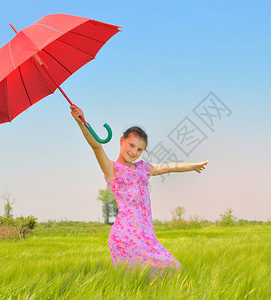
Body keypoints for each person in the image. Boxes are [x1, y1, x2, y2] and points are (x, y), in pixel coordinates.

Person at [70, 105, 209, 278]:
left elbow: (168, 167)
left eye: (139, 149)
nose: (134, 152)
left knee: (158, 282)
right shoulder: (112, 169)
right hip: (127, 237)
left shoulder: (143, 169)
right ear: (121, 141)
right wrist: (81, 122)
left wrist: (193, 166)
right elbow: (97, 147)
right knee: (172, 273)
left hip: (147, 237)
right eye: (131, 145)